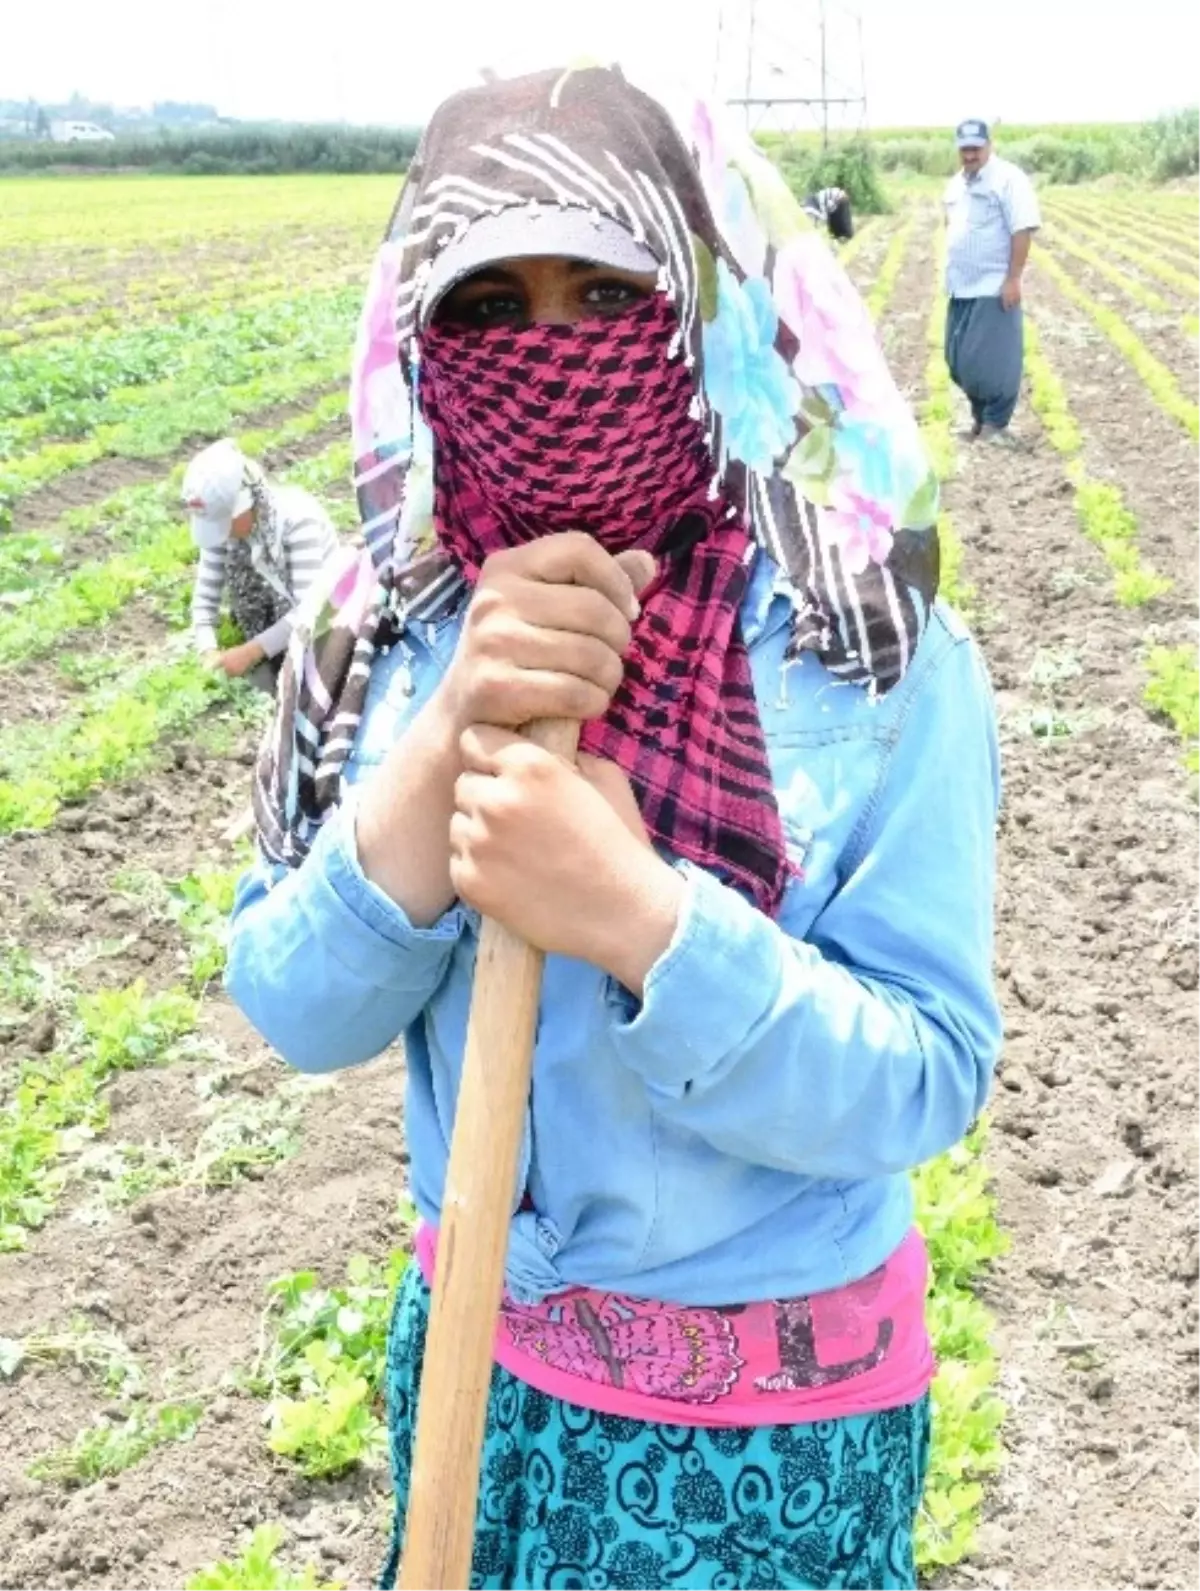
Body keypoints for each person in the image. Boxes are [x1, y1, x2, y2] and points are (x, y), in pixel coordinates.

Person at [227, 65, 1001, 1591]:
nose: (554, 351)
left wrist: (644, 919)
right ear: (422, 343)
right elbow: (288, 1002)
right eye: (492, 306)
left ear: (701, 304)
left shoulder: (862, 649)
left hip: (774, 1436)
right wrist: (448, 738)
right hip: (478, 1379)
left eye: (603, 289)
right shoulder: (381, 635)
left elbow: (926, 1074)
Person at [181, 438, 338, 690]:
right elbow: (204, 600)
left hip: (324, 629)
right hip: (275, 626)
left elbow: (309, 613)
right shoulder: (227, 531)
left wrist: (250, 652)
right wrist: (207, 649)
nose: (221, 534)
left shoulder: (298, 522)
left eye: (225, 523)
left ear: (247, 502)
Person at [942, 118, 1041, 444]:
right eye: (964, 149)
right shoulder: (956, 184)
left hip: (992, 285)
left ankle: (996, 425)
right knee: (959, 361)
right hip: (961, 286)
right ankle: (979, 421)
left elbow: (1021, 229)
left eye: (975, 148)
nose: (970, 154)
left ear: (989, 145)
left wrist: (1013, 278)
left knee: (995, 362)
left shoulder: (1009, 179)